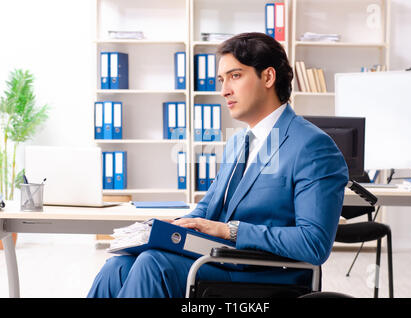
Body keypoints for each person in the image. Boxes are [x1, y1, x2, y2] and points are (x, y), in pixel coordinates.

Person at [87, 32, 348, 298]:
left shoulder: (312, 146)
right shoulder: (239, 141)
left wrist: (228, 230)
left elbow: (314, 243)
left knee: (154, 264)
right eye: (221, 80)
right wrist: (174, 227)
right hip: (222, 260)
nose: (224, 90)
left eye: (235, 76)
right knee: (118, 266)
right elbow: (210, 206)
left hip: (267, 275)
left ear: (268, 77)